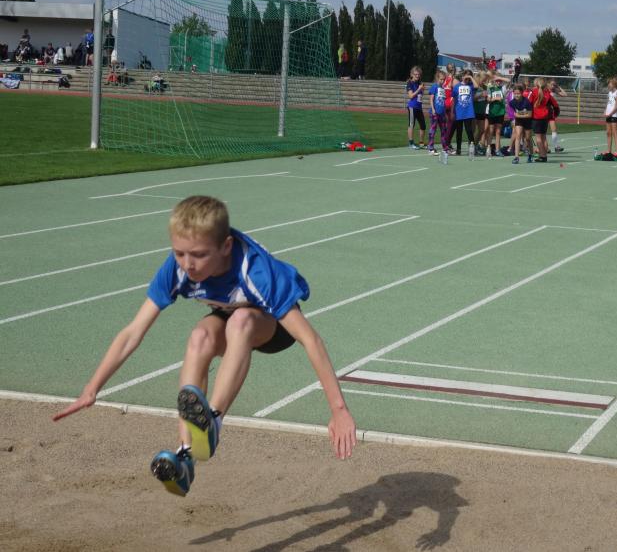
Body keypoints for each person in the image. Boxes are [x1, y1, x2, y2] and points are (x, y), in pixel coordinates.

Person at [53, 195, 357, 496]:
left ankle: (213, 422)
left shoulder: (255, 271)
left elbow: (310, 339)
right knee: (200, 335)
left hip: (271, 327)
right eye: (179, 253)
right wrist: (92, 388)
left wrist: (339, 409)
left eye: (198, 255)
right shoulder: (177, 269)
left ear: (225, 247)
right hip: (227, 316)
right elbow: (133, 332)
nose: (188, 264)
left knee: (241, 322)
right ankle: (186, 456)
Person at [530, 78, 558, 163]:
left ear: (536, 84)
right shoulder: (547, 93)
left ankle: (543, 156)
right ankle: (544, 154)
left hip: (536, 117)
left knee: (538, 138)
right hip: (545, 117)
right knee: (543, 137)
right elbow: (555, 104)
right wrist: (555, 114)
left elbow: (529, 103)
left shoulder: (534, 92)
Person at [451, 70, 477, 157]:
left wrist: (471, 77)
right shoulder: (457, 86)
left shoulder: (470, 86)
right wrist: (452, 111)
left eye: (468, 76)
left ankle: (473, 149)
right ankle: (458, 149)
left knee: (469, 130)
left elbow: (476, 86)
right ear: (462, 76)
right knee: (459, 131)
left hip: (468, 112)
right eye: (466, 76)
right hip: (459, 112)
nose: (467, 78)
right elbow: (454, 100)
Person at [486, 73, 509, 157]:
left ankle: (497, 150)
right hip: (492, 112)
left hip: (500, 112)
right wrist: (495, 98)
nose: (498, 82)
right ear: (494, 81)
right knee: (491, 131)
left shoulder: (503, 88)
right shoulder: (490, 88)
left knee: (498, 132)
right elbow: (488, 100)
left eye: (500, 81)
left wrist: (499, 77)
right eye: (497, 81)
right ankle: (488, 149)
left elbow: (509, 81)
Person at [508, 84, 532, 164]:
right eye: (515, 94)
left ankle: (530, 154)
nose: (516, 95)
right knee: (518, 135)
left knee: (528, 138)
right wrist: (517, 116)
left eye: (518, 93)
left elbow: (529, 115)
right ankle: (516, 157)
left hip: (527, 120)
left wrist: (519, 115)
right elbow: (514, 113)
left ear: (522, 93)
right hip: (519, 121)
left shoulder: (527, 102)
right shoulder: (512, 103)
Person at [427, 70, 448, 155]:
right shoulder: (434, 86)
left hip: (442, 113)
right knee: (433, 130)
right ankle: (430, 148)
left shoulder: (443, 89)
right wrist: (433, 109)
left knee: (444, 130)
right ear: (437, 78)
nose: (442, 81)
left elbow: (443, 101)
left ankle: (445, 148)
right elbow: (431, 99)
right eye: (441, 79)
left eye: (443, 79)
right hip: (435, 112)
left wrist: (445, 113)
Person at [405, 66, 426, 149]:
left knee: (423, 125)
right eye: (415, 74)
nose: (417, 76)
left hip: (419, 107)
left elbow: (420, 95)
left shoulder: (419, 83)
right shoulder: (410, 83)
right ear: (412, 74)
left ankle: (421, 143)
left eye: (418, 74)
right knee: (411, 124)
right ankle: (411, 143)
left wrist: (422, 89)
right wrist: (419, 89)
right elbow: (411, 96)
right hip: (412, 107)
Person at [603, 77, 617, 159]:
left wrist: (610, 114)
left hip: (614, 115)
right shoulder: (610, 93)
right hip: (608, 115)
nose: (608, 85)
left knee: (615, 133)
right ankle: (609, 150)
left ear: (614, 84)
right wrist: (605, 111)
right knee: (608, 132)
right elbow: (608, 103)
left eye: (609, 83)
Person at [547, 79, 566, 153]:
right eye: (551, 84)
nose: (553, 86)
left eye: (554, 85)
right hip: (544, 112)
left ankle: (556, 146)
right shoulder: (545, 91)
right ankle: (545, 147)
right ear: (548, 84)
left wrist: (558, 87)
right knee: (543, 131)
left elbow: (565, 94)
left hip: (551, 112)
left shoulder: (554, 91)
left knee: (554, 130)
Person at [472, 72, 489, 155]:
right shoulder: (474, 87)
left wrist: (487, 99)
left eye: (485, 80)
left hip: (482, 111)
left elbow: (486, 99)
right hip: (474, 111)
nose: (484, 82)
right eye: (483, 80)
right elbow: (472, 98)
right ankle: (471, 147)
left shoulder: (485, 87)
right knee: (473, 130)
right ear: (479, 78)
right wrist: (481, 95)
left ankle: (475, 145)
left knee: (482, 130)